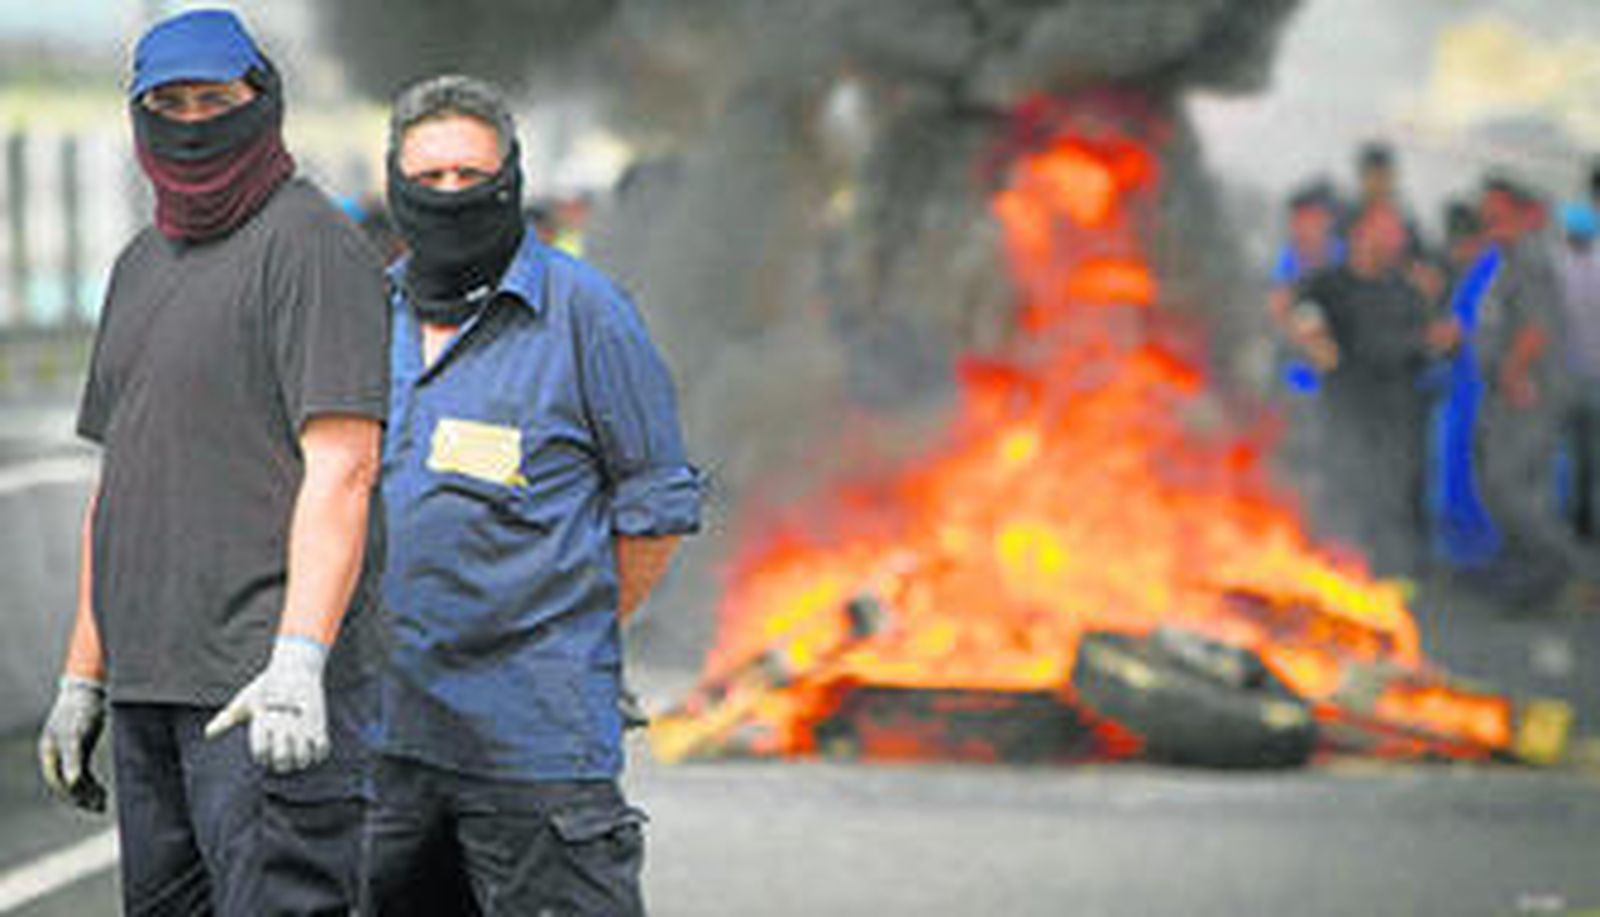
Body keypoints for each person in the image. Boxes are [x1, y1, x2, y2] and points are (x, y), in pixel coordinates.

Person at [34, 10, 390, 914]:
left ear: (262, 103)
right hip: (149, 688)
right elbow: (119, 488)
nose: (192, 122)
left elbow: (344, 469)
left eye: (214, 100)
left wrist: (301, 660)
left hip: (258, 695)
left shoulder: (310, 245)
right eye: (169, 103)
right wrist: (85, 674)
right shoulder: (138, 266)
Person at [363, 75, 701, 915]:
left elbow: (655, 508)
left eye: (470, 175)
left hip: (536, 747)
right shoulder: (367, 313)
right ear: (396, 185)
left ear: (509, 178)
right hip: (383, 740)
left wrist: (567, 629)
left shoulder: (587, 314)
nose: (450, 194)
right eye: (430, 177)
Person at [1291, 202, 1458, 577]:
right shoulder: (1325, 286)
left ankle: (1389, 595)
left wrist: (1440, 343)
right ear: (1360, 233)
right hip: (1342, 416)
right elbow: (1315, 335)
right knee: (1337, 504)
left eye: (1398, 230)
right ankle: (1331, 587)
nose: (1398, 238)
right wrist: (1311, 341)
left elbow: (1424, 351)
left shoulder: (1407, 293)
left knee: (1390, 508)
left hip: (1394, 421)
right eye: (1389, 228)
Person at [1475, 175, 1582, 605]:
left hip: (1526, 395)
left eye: (1495, 210)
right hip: (1516, 392)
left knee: (1508, 486)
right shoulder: (1513, 256)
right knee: (1518, 487)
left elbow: (1536, 329)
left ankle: (1563, 567)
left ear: (1520, 212)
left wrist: (1513, 374)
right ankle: (1533, 574)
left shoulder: (1530, 259)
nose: (1486, 216)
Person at [1556, 201, 1600, 540]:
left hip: (1566, 377)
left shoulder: (1557, 270)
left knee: (1569, 453)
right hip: (1596, 378)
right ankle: (1587, 521)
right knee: (1593, 454)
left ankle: (1572, 519)